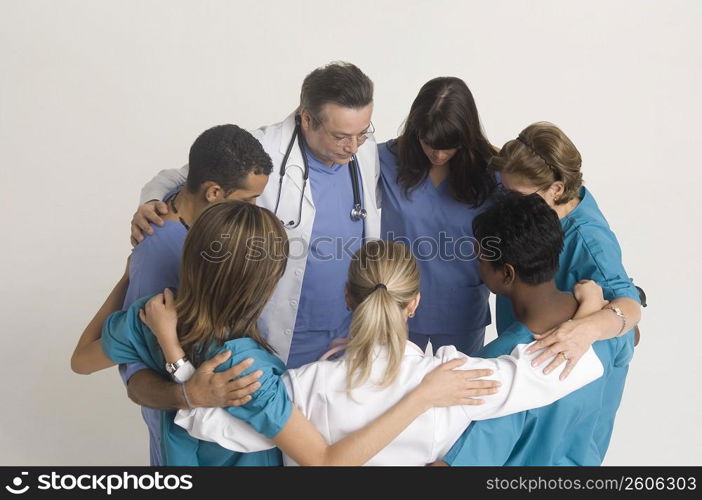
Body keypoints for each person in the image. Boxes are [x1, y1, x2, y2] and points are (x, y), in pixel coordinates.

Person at [72, 201, 499, 465]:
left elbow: (81, 361)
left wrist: (128, 279)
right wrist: (424, 396)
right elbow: (327, 462)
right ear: (265, 283)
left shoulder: (152, 317)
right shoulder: (248, 370)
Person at [165, 239, 608, 466]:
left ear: (347, 297)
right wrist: (589, 308)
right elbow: (556, 370)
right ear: (414, 303)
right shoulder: (453, 381)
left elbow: (206, 421)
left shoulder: (303, 387)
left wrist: (177, 357)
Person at [129, 62, 381, 368]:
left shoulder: (364, 153)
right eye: (341, 136)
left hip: (347, 332)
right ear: (306, 119)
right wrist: (151, 200)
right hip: (277, 331)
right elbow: (185, 177)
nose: (353, 147)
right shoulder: (260, 149)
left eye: (362, 133)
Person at [447, 122, 642, 462]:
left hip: (563, 364)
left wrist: (584, 327)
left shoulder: (589, 240)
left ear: (556, 188)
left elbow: (630, 309)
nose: (508, 202)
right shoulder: (544, 201)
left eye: (516, 196)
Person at [116, 124, 272, 465]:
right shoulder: (160, 250)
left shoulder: (209, 230)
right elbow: (135, 369)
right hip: (186, 440)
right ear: (214, 192)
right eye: (249, 200)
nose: (257, 209)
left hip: (226, 429)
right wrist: (188, 394)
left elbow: (174, 176)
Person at [378, 77, 497, 355]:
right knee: (395, 393)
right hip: (398, 305)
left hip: (462, 307)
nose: (439, 154)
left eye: (450, 145)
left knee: (461, 394)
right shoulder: (383, 160)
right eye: (429, 142)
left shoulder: (492, 172)